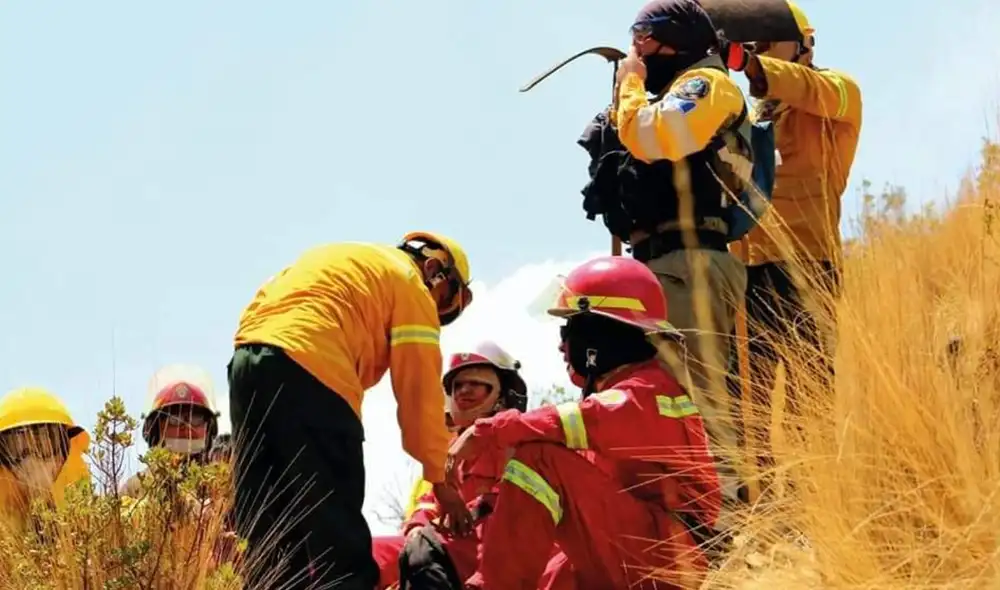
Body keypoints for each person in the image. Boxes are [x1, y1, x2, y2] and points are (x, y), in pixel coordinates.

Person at [578, 0, 754, 516]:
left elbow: (661, 134)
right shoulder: (665, 95)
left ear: (675, 37)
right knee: (655, 397)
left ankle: (723, 517)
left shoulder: (708, 84)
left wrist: (630, 88)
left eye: (644, 37)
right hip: (658, 265)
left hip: (691, 261)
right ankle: (677, 516)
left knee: (697, 395)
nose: (636, 49)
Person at [452, 256, 721, 589]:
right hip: (653, 547)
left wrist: (486, 431)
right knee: (557, 572)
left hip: (670, 555)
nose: (562, 345)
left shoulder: (645, 392)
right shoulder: (635, 388)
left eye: (569, 330)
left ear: (597, 336)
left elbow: (578, 419)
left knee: (540, 459)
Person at [228, 231, 475, 590]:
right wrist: (439, 478)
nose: (435, 313)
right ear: (435, 269)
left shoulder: (342, 258)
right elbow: (419, 393)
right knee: (337, 542)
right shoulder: (409, 283)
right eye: (443, 302)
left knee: (268, 535)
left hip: (247, 365)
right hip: (315, 369)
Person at [728, 0, 862, 477]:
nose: (756, 50)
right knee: (750, 402)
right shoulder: (748, 116)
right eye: (751, 44)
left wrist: (752, 66)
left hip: (810, 265)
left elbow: (809, 87)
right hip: (749, 273)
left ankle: (820, 496)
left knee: (812, 398)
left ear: (804, 44)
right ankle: (762, 508)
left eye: (767, 41)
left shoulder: (837, 92)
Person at [371, 340, 529, 589]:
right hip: (443, 543)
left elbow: (512, 508)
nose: (463, 391)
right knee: (367, 553)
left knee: (423, 553)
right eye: (458, 386)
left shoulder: (517, 442)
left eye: (476, 384)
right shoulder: (448, 451)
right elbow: (428, 505)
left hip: (493, 547)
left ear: (504, 394)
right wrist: (417, 526)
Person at [0, 387, 90, 533]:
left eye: (43, 443)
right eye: (16, 447)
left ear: (65, 450)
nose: (30, 459)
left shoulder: (96, 517)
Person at [121, 367, 222, 498]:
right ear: (157, 430)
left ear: (208, 429)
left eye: (196, 418)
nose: (187, 427)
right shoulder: (135, 489)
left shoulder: (222, 485)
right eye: (174, 419)